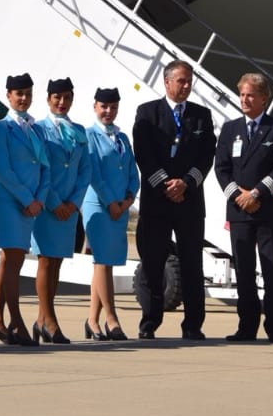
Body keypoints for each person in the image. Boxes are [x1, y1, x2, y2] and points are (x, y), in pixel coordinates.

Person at [133, 60, 215, 340]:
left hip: (189, 202)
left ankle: (193, 325)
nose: (186, 86)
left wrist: (186, 184)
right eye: (181, 81)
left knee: (192, 265)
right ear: (166, 82)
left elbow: (207, 157)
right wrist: (165, 185)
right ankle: (149, 322)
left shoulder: (201, 116)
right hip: (157, 202)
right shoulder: (147, 113)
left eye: (189, 81)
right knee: (153, 264)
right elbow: (143, 154)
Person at [214, 72, 273, 342]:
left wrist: (257, 192)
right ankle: (246, 326)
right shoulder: (230, 129)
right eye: (242, 95)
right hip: (239, 212)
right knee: (244, 272)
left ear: (263, 98)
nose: (245, 100)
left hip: (268, 210)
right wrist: (238, 195)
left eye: (250, 95)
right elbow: (221, 168)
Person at [28, 76, 91, 344]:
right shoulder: (39, 129)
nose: (62, 103)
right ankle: (49, 319)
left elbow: (85, 170)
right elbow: (41, 169)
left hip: (69, 207)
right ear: (48, 99)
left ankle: (42, 320)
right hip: (47, 205)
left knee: (57, 263)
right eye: (57, 98)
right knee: (45, 260)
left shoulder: (79, 131)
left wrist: (74, 202)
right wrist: (54, 202)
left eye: (67, 98)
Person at [0, 73, 44, 346]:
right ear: (8, 96)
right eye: (18, 94)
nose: (23, 99)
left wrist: (39, 198)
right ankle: (16, 321)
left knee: (9, 264)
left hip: (30, 203)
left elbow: (44, 166)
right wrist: (27, 199)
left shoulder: (36, 128)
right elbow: (3, 169)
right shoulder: (0, 127)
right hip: (9, 203)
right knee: (12, 262)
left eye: (27, 94)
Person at [81, 87, 137, 341]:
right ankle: (111, 318)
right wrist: (111, 202)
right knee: (102, 261)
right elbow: (93, 173)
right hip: (98, 206)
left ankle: (92, 320)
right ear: (95, 107)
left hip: (119, 207)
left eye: (113, 107)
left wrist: (128, 198)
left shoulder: (122, 137)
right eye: (104, 107)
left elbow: (132, 173)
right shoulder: (88, 135)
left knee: (104, 266)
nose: (108, 112)